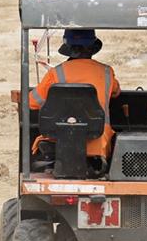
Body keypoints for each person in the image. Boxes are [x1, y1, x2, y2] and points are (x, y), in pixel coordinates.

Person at [29, 27, 121, 170]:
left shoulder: (56, 73)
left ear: (68, 48)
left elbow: (32, 102)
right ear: (92, 48)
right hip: (99, 146)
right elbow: (115, 92)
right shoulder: (107, 72)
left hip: (62, 145)